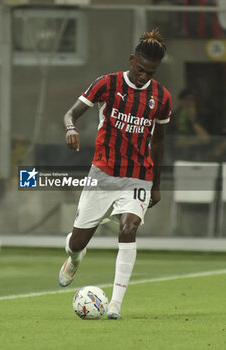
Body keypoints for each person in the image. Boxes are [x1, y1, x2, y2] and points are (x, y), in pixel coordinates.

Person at [59, 29, 172, 319]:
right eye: (140, 69)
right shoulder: (106, 84)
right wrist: (71, 128)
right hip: (103, 174)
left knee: (129, 228)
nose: (144, 76)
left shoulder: (161, 97)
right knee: (77, 242)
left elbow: (158, 141)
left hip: (138, 176)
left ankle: (115, 305)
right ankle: (75, 257)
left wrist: (156, 184)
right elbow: (70, 113)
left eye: (151, 72)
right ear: (132, 60)